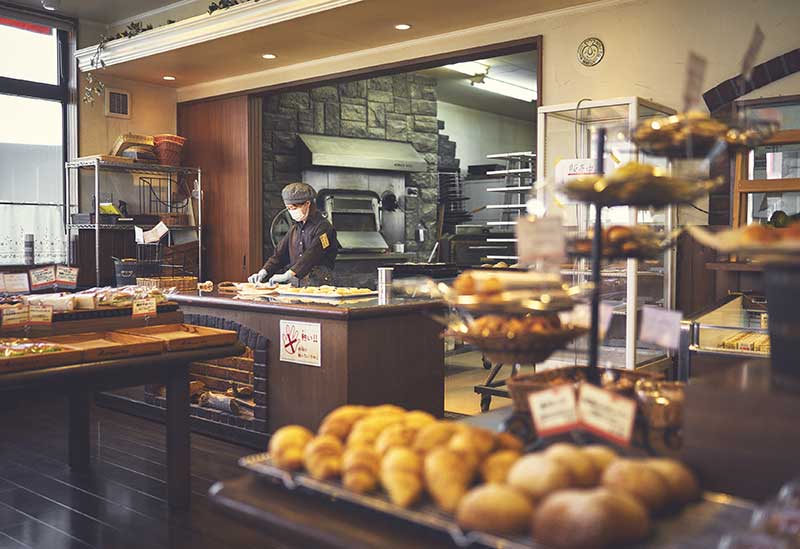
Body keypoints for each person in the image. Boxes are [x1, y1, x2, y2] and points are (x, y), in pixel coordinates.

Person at [248, 182, 338, 286]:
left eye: (294, 208)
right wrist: (264, 271)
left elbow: (312, 255)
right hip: (296, 283)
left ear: (307, 204)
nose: (291, 212)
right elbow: (279, 255)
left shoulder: (324, 228)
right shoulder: (294, 229)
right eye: (288, 209)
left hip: (319, 283)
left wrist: (288, 274)